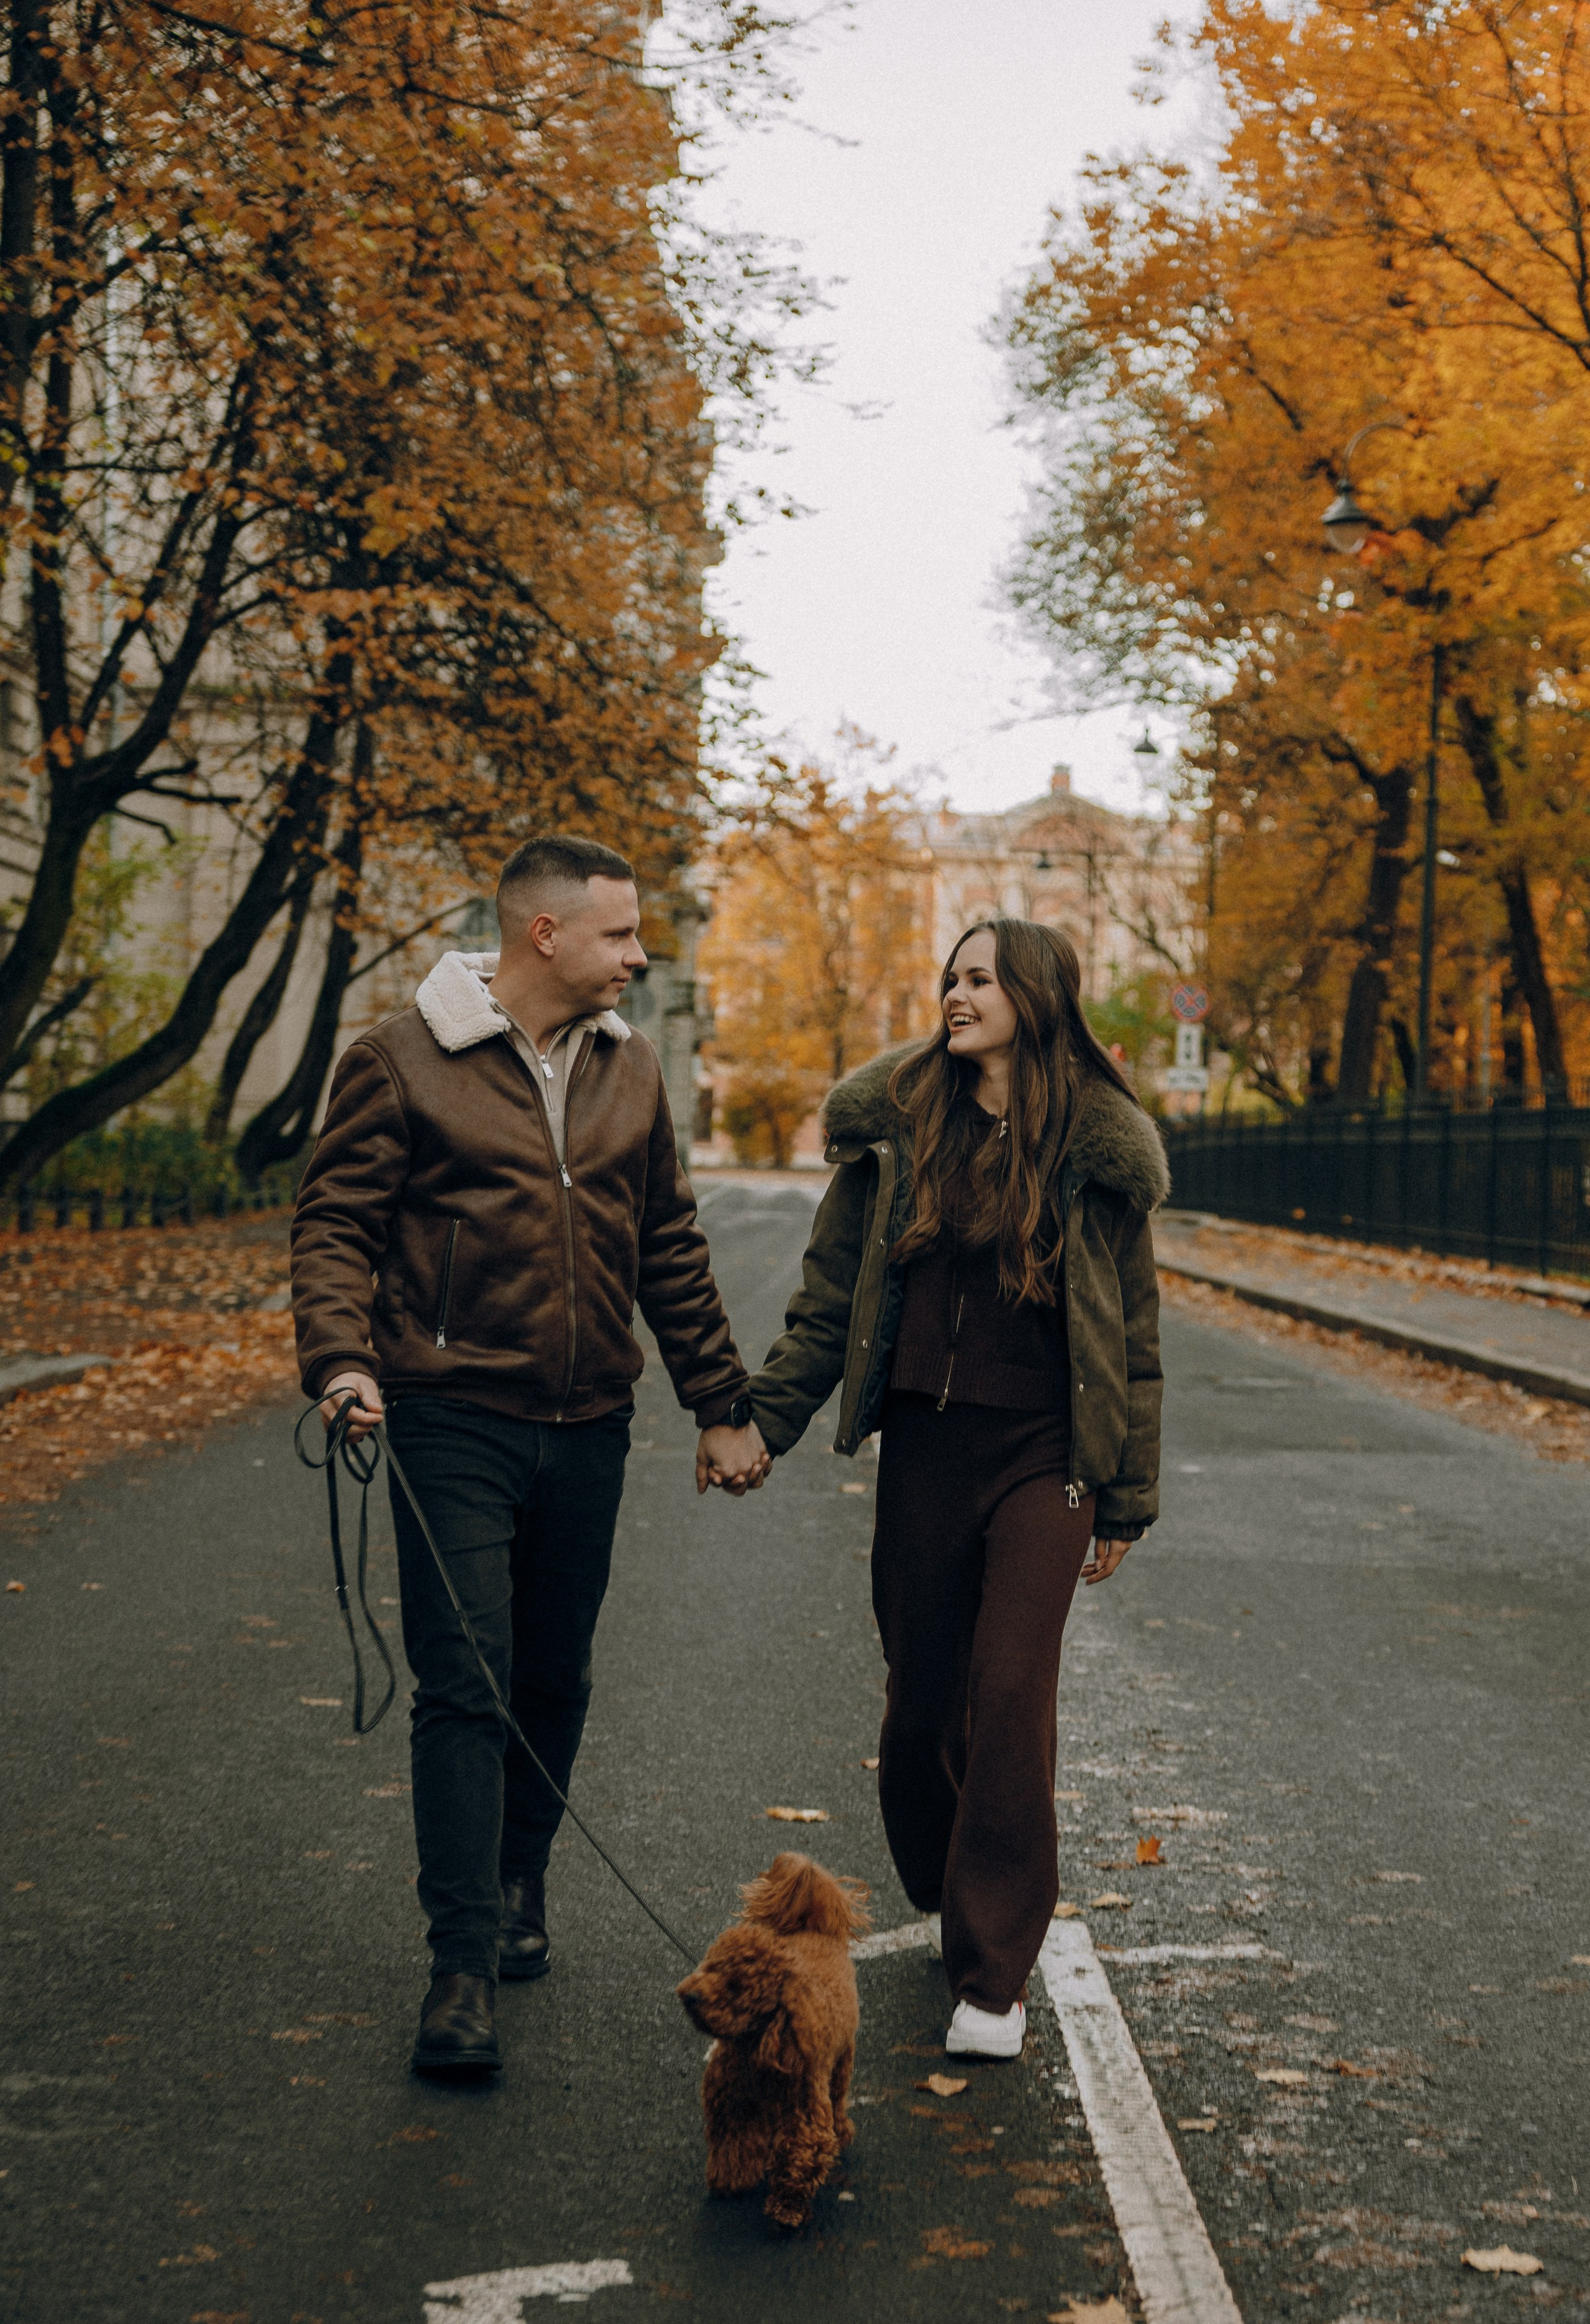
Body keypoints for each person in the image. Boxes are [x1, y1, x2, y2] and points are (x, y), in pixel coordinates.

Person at [291, 833, 768, 2076]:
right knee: (467, 1678)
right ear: (544, 933)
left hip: (587, 1420)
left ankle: (517, 1883)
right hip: (447, 1413)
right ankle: (457, 1967)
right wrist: (341, 1358)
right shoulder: (400, 1058)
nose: (639, 953)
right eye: (619, 933)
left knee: (553, 1673)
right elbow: (337, 1224)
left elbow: (665, 1240)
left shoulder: (632, 1065)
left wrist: (720, 1401)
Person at [745, 918, 1166, 2059]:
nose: (955, 993)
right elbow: (828, 1303)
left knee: (1013, 1692)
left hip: (1047, 1455)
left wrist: (1124, 1493)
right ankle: (946, 1881)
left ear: (1035, 995)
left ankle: (994, 1976)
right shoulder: (896, 1128)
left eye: (979, 978)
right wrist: (761, 1421)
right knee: (924, 1699)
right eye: (949, 977)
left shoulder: (1096, 1148)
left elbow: (1132, 1338)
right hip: (927, 1451)